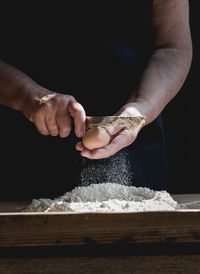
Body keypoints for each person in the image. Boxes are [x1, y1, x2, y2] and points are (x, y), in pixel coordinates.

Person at [0, 1, 192, 199]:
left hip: (133, 130)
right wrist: (24, 93)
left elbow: (172, 46)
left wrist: (141, 107)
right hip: (28, 138)